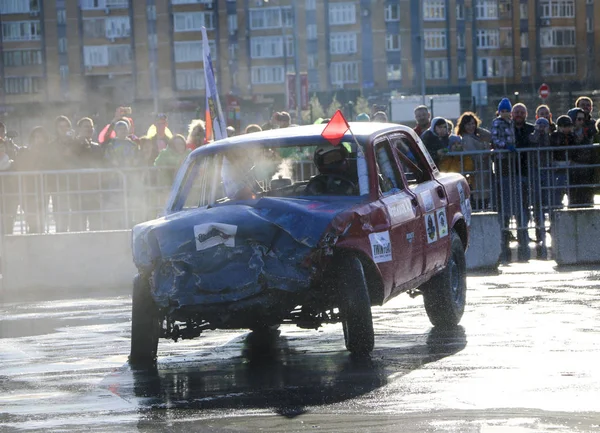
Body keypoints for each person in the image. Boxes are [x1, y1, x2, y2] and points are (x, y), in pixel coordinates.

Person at [455, 112, 492, 209]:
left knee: (485, 200)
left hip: (484, 173)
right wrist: (487, 152)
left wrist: (477, 128)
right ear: (463, 126)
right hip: (476, 174)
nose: (471, 126)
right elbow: (475, 156)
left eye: (473, 123)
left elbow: (490, 136)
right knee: (479, 202)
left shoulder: (477, 136)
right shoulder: (466, 139)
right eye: (468, 124)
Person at [566, 107, 596, 207]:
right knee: (574, 199)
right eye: (579, 119)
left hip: (586, 169)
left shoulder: (587, 132)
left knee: (587, 198)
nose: (581, 121)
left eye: (583, 119)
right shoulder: (566, 134)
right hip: (572, 169)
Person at [550, 115, 577, 211]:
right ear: (559, 127)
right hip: (558, 168)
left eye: (569, 126)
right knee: (558, 193)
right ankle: (557, 213)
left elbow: (574, 149)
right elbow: (556, 146)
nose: (568, 128)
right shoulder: (554, 136)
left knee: (572, 192)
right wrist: (561, 135)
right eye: (565, 126)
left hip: (569, 166)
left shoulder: (572, 136)